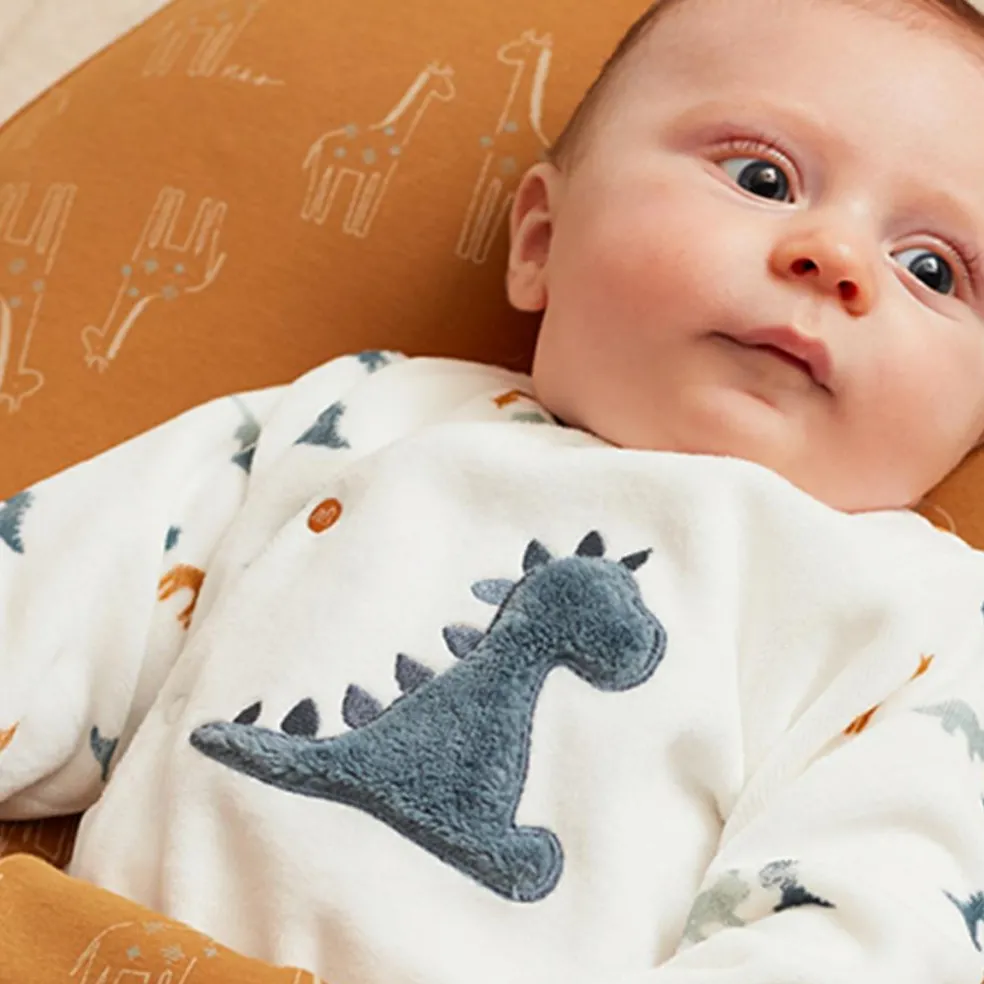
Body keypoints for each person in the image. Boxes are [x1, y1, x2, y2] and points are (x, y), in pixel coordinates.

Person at [2, 0, 984, 981]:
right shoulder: (361, 417)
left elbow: (876, 926)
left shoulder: (922, 620)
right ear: (542, 241)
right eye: (761, 178)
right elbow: (50, 602)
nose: (835, 259)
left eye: (933, 270)